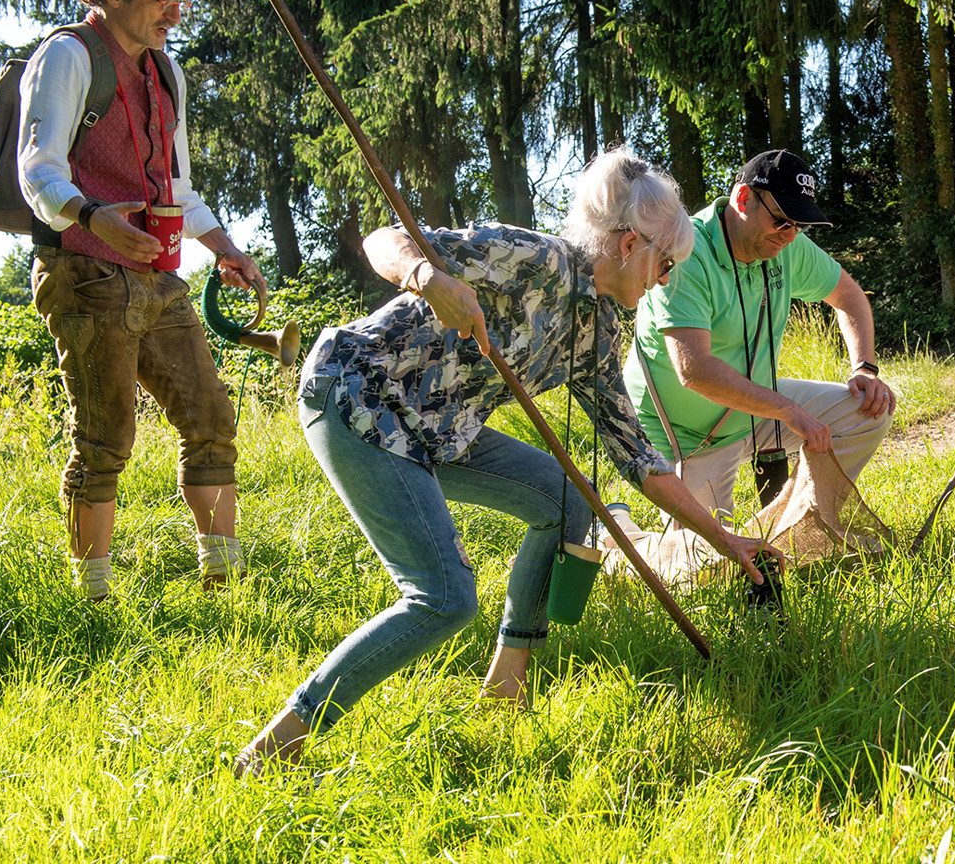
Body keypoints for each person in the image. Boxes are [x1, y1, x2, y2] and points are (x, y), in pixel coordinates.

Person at [235, 147, 780, 775]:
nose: (664, 280)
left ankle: (506, 686)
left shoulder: (597, 330)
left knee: (568, 498)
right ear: (629, 244)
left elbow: (638, 457)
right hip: (359, 396)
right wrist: (429, 279)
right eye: (665, 264)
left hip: (441, 426)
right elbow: (383, 240)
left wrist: (724, 540)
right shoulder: (531, 258)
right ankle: (282, 738)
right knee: (444, 597)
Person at [18, 0, 266, 600]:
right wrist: (92, 215)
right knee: (105, 440)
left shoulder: (167, 72)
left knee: (211, 421)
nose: (175, 14)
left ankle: (223, 583)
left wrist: (225, 249)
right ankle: (92, 599)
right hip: (84, 274)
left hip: (158, 278)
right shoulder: (68, 56)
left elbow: (176, 187)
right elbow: (36, 170)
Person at [624, 150, 895, 551]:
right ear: (743, 198)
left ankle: (802, 523)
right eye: (782, 220)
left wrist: (865, 368)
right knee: (705, 564)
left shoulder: (785, 245)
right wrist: (789, 411)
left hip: (755, 409)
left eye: (799, 224)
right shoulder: (686, 251)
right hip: (689, 433)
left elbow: (849, 296)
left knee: (868, 412)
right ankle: (616, 534)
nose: (790, 235)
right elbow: (695, 371)